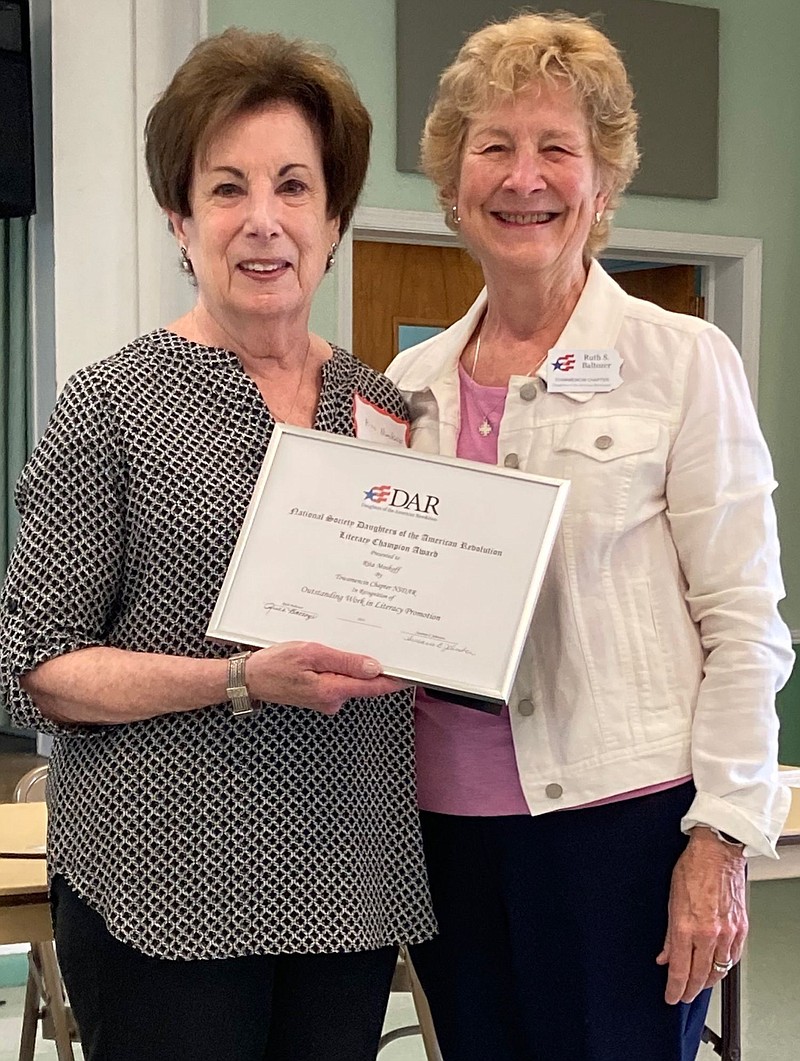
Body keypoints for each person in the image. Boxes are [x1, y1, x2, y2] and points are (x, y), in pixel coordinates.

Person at [0, 28, 435, 1061]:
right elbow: (35, 670)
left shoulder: (387, 409)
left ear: (332, 220)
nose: (263, 220)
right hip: (164, 880)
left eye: (292, 186)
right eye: (227, 188)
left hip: (349, 877)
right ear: (179, 219)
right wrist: (238, 677)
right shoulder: (110, 402)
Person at [386, 12, 794, 1061]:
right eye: (493, 146)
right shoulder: (403, 392)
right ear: (452, 181)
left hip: (620, 829)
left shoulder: (681, 361)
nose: (523, 175)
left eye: (555, 147)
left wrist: (719, 836)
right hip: (442, 831)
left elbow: (745, 621)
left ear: (601, 184)